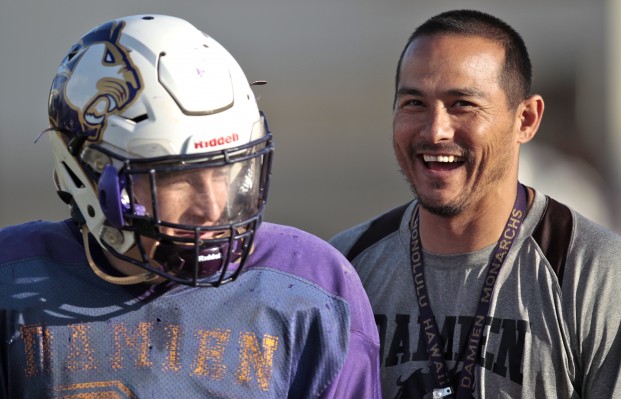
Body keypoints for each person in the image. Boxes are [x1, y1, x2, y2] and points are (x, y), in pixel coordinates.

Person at [0, 15, 381, 398]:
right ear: (88, 174)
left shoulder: (311, 290)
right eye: (175, 178)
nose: (213, 207)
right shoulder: (13, 283)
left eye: (226, 170)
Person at [330, 9, 621, 399]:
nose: (436, 130)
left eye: (463, 104)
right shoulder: (347, 267)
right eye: (414, 104)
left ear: (526, 119)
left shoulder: (592, 271)